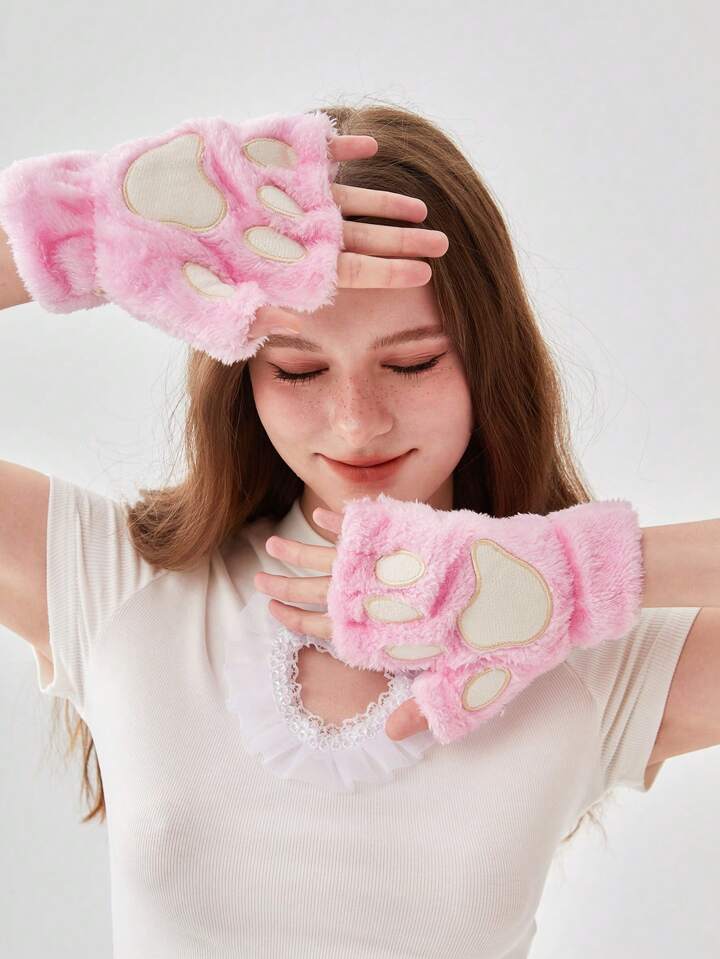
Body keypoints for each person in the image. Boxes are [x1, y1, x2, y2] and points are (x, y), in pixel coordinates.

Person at [0, 102, 703, 958]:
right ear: (243, 375)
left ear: (488, 360)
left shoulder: (586, 655)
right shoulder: (117, 585)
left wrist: (580, 573)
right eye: (299, 368)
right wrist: (93, 227)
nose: (357, 422)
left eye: (412, 362)